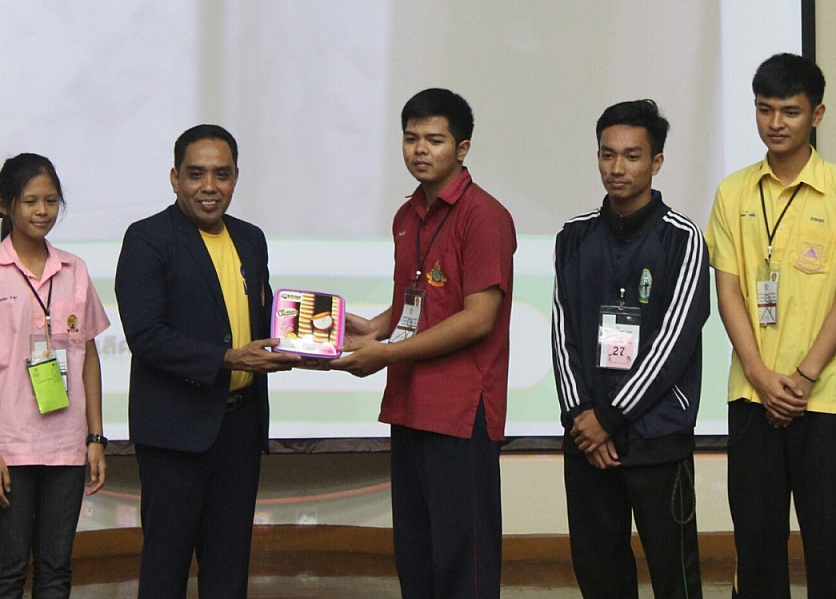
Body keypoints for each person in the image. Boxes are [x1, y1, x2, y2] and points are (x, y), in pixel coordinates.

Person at [708, 54, 836, 598]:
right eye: (765, 110)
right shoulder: (734, 192)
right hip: (753, 394)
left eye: (790, 111)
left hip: (827, 395)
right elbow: (728, 291)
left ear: (817, 114)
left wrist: (805, 377)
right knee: (757, 543)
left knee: (832, 544)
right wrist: (761, 376)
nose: (776, 123)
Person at [335, 88, 518, 599]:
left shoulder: (484, 215)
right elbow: (420, 302)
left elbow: (478, 318)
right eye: (411, 138)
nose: (420, 149)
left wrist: (386, 353)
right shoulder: (408, 214)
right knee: (416, 554)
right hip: (409, 403)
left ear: (462, 148)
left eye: (434, 140)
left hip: (460, 411)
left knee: (464, 560)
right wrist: (373, 328)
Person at [114, 124, 293, 599]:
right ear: (175, 178)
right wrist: (228, 358)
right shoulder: (147, 238)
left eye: (222, 174)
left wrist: (320, 336)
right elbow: (146, 336)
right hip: (175, 434)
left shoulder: (250, 238)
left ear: (236, 178)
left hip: (239, 430)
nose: (209, 186)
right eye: (196, 174)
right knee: (165, 569)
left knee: (229, 570)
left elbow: (261, 317)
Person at [551, 100, 709, 599]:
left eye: (632, 156)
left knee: (674, 577)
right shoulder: (573, 237)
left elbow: (675, 342)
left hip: (657, 437)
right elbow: (562, 335)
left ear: (656, 162)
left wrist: (611, 417)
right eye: (607, 154)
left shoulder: (682, 239)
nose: (617, 168)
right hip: (588, 441)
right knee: (599, 575)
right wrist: (583, 417)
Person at [0, 154, 110, 599]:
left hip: (66, 445)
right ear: (5, 205)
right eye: (30, 201)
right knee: (9, 567)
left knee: (57, 568)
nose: (42, 211)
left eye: (51, 201)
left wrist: (96, 437)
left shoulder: (75, 270)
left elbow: (89, 358)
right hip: (9, 446)